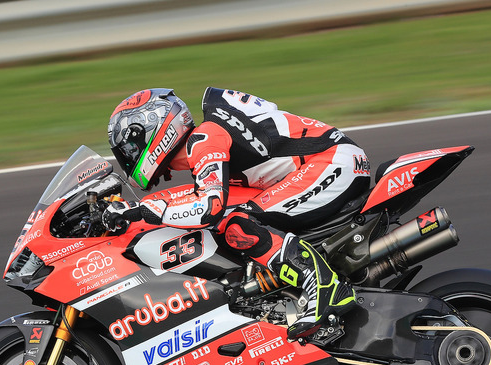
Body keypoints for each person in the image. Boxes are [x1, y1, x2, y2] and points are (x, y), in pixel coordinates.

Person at [103, 88, 371, 342]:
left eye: (129, 149)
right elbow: (194, 197)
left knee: (238, 226)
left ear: (153, 131)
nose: (129, 157)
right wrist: (132, 211)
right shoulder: (205, 146)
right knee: (237, 218)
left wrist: (149, 211)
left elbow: (209, 208)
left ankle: (326, 287)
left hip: (330, 162)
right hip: (327, 163)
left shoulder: (205, 138)